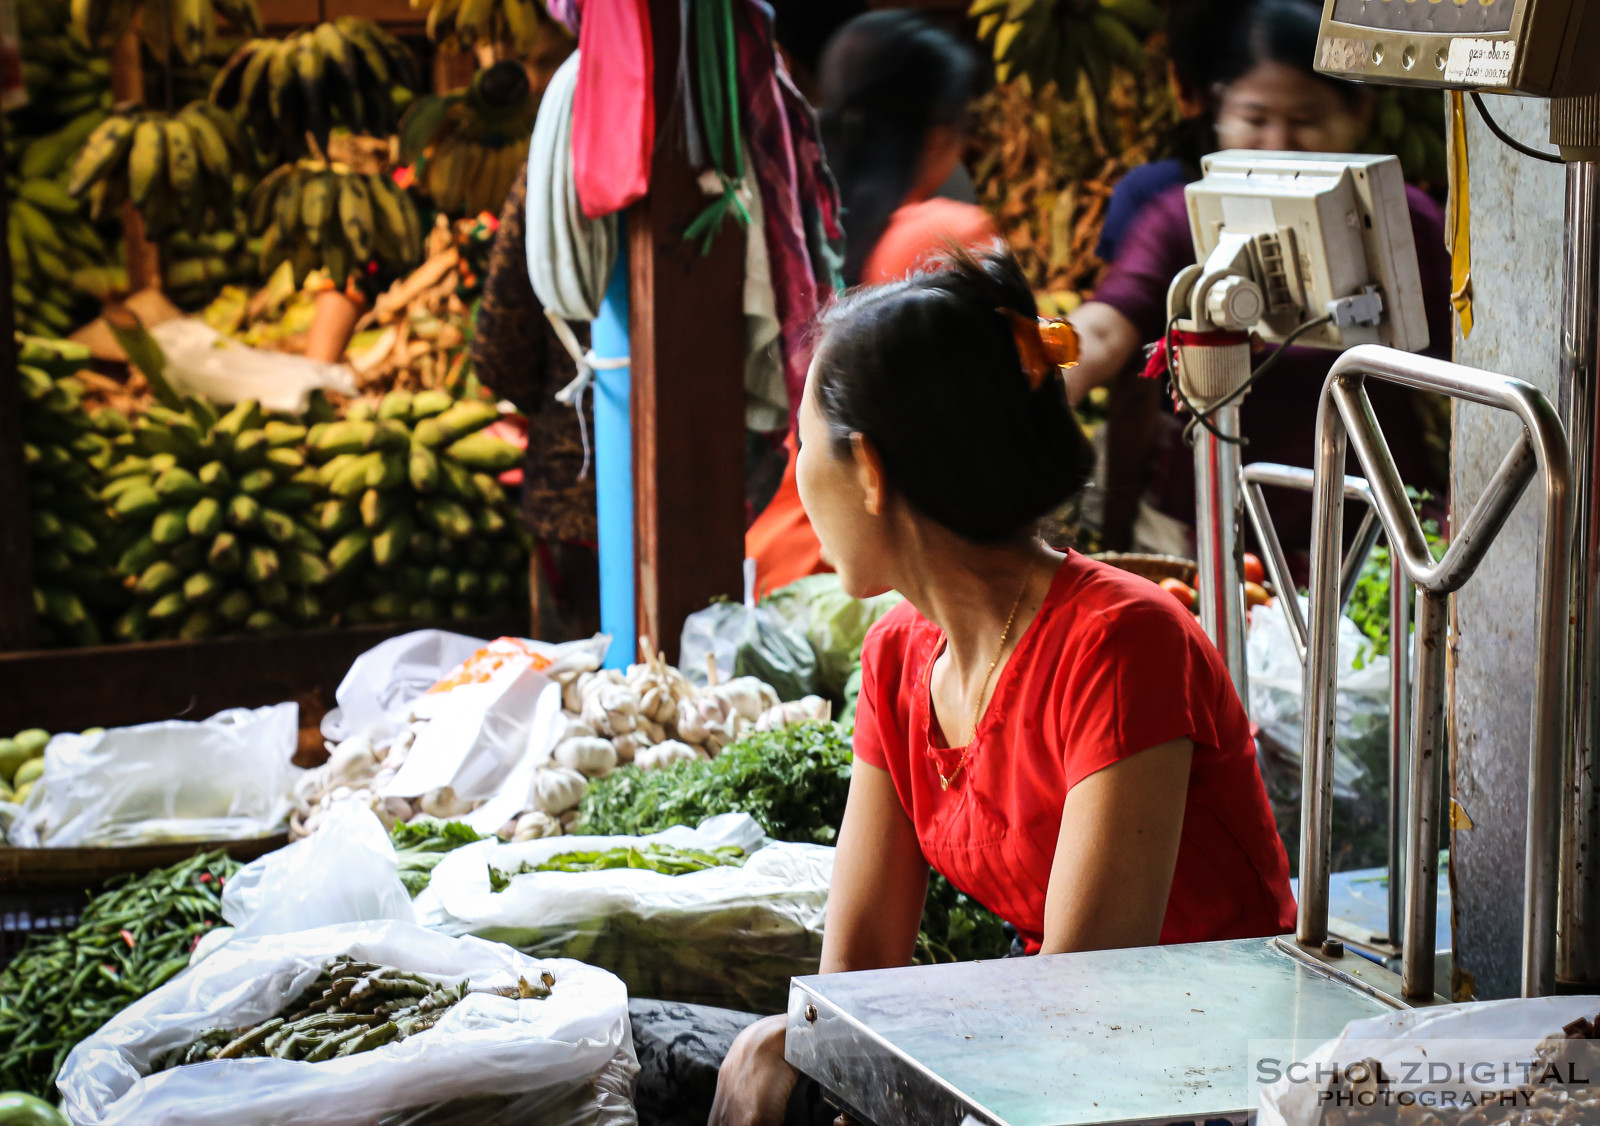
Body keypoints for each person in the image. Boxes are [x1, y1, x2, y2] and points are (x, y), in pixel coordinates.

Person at [709, 249, 1297, 1125]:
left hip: (1213, 1077)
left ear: (869, 471)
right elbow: (860, 968)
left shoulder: (1123, 642)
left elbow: (1083, 997)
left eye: (802, 444)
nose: (798, 475)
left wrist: (805, 1038)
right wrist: (801, 1040)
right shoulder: (898, 656)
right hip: (1049, 1060)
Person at [1069, 0, 1451, 556]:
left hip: (1379, 541)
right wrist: (1033, 369)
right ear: (1219, 110)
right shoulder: (1179, 223)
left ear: (1358, 113)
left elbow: (1466, 372)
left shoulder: (1401, 224)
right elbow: (1105, 329)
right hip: (1217, 541)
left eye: (1306, 121)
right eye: (1255, 119)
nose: (1278, 143)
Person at [745, 11, 998, 597]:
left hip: (770, 557)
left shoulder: (791, 230)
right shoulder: (943, 239)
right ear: (938, 134)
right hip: (877, 581)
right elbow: (988, 427)